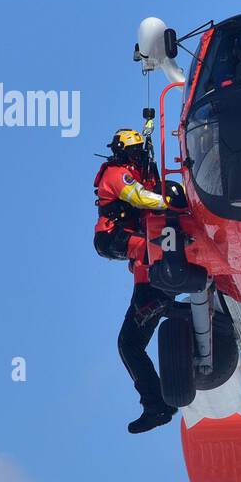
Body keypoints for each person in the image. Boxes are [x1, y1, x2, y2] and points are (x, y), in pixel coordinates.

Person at [93, 127, 176, 434]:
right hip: (124, 250)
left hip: (152, 274)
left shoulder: (146, 181)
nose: (139, 158)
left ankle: (158, 405)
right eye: (135, 153)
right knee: (129, 344)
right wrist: (172, 201)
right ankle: (158, 404)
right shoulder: (117, 174)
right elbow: (139, 197)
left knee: (129, 343)